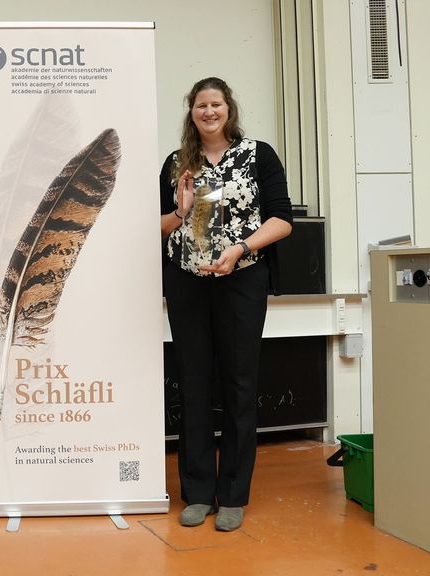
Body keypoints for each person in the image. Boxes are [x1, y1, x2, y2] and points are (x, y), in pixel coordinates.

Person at [160, 77, 292, 532]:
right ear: (191, 112)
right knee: (192, 383)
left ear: (228, 109)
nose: (209, 112)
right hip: (187, 283)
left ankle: (233, 494)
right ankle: (197, 493)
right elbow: (157, 227)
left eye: (216, 104)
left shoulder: (258, 155)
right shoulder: (178, 163)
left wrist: (240, 248)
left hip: (242, 280)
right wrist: (181, 210)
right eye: (200, 105)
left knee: (238, 384)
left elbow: (282, 219)